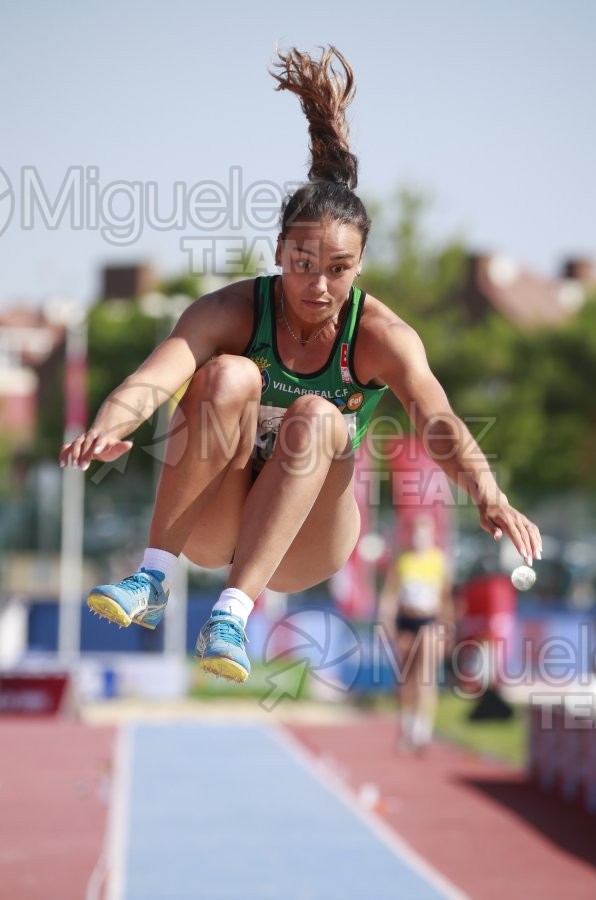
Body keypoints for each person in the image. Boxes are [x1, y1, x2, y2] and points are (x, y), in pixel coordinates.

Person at [59, 46, 542, 685]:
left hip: (306, 538)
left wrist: (487, 491)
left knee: (317, 414)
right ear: (281, 251)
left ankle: (232, 613)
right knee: (226, 375)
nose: (318, 285)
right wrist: (107, 423)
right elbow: (155, 376)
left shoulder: (379, 335)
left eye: (337, 270)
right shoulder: (234, 308)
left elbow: (438, 417)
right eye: (303, 265)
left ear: (360, 265)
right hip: (215, 515)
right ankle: (152, 576)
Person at [379, 514, 454, 751]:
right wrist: (386, 621)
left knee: (425, 676)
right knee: (405, 678)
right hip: (406, 622)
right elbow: (390, 594)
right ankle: (407, 724)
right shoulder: (403, 561)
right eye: (416, 533)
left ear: (432, 536)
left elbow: (446, 598)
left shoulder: (439, 561)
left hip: (430, 621)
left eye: (425, 533)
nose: (420, 538)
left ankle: (422, 730)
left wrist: (448, 627)